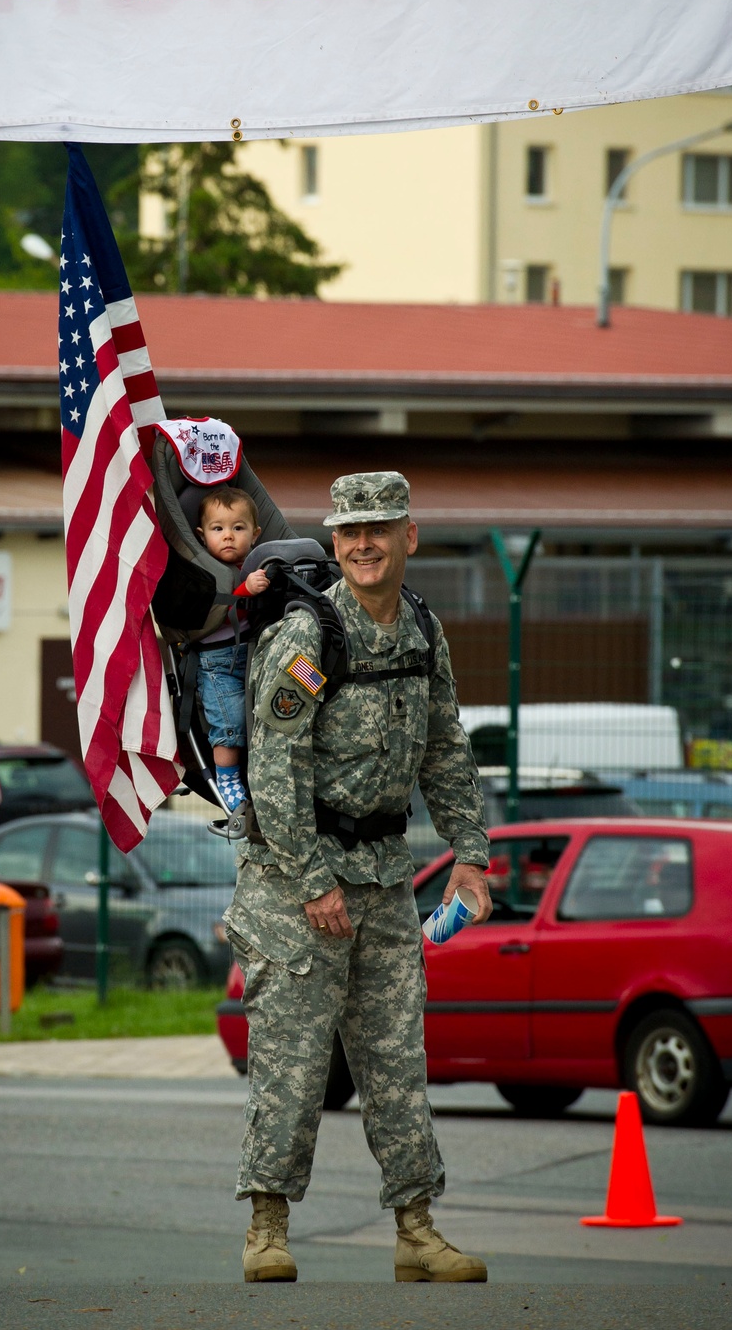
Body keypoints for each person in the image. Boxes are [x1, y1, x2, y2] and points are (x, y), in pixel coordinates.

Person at [224, 470, 492, 1285]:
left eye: (381, 526)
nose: (365, 542)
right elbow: (273, 765)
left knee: (396, 1060)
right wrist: (310, 879)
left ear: (411, 536)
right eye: (350, 531)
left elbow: (445, 746)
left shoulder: (421, 630)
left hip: (381, 877)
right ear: (335, 542)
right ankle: (266, 1229)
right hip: (294, 883)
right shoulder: (310, 635)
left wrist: (471, 853)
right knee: (292, 1064)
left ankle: (416, 1227)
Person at [194, 486, 270, 811]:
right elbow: (215, 608)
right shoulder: (201, 570)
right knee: (231, 722)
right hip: (217, 662)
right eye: (218, 529)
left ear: (255, 534)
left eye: (238, 528)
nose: (228, 536)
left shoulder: (259, 564)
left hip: (254, 654)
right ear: (202, 535)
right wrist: (245, 589)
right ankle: (226, 779)